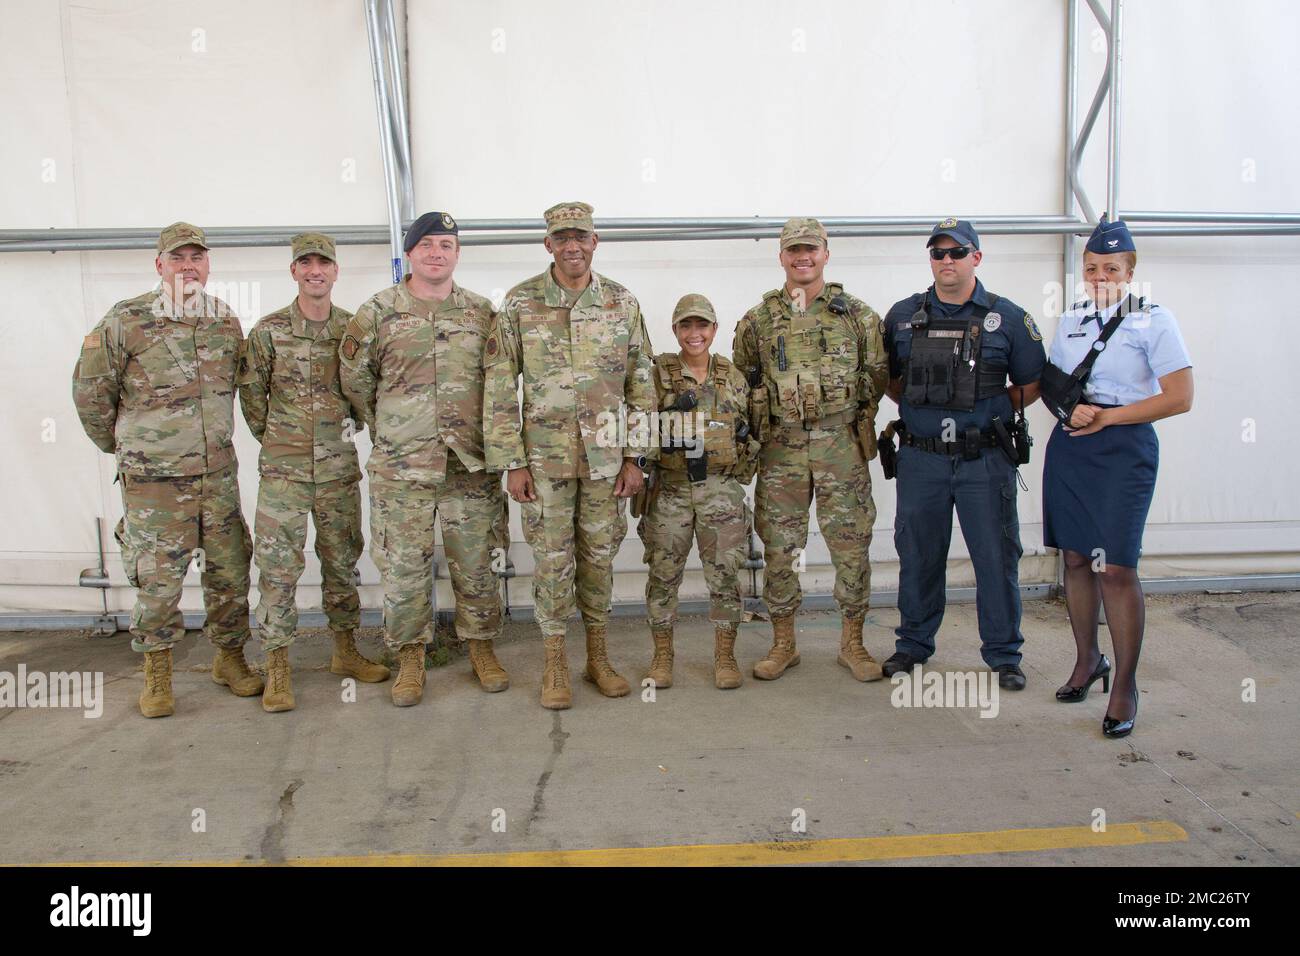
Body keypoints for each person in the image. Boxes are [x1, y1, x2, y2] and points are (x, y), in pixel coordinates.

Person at [72, 221, 259, 717]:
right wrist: (127, 449)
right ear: (160, 265)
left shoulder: (224, 321)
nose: (188, 266)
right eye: (178, 258)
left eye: (197, 257)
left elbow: (240, 390)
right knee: (158, 580)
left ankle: (230, 659)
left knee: (230, 571)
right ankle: (157, 673)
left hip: (217, 475)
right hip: (154, 483)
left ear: (208, 264)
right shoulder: (126, 320)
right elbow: (91, 394)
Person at [483, 201, 657, 710]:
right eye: (562, 238)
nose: (572, 246)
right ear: (548, 245)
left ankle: (597, 657)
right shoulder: (520, 303)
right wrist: (511, 461)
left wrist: (636, 458)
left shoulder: (621, 303)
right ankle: (555, 660)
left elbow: (642, 383)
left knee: (599, 559)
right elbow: (498, 386)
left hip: (607, 464)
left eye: (580, 236)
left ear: (595, 241)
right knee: (552, 562)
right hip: (545, 464)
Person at [339, 212, 507, 707]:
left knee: (475, 564)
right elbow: (355, 381)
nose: (436, 253)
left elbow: (498, 383)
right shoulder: (377, 312)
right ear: (409, 254)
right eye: (426, 245)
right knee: (404, 568)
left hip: (468, 466)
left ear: (457, 255)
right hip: (402, 467)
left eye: (446, 245)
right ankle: (409, 660)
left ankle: (481, 647)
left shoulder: (481, 313)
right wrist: (397, 426)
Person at [880, 218, 1045, 690]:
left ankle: (1004, 655)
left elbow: (1032, 382)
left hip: (984, 461)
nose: (947, 261)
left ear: (977, 256)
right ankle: (912, 645)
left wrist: (987, 412)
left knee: (995, 558)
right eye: (938, 253)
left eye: (957, 252)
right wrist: (922, 409)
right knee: (918, 554)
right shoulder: (903, 316)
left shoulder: (1007, 317)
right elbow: (888, 378)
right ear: (930, 259)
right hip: (922, 459)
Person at [1044, 215, 1193, 738]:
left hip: (1123, 449)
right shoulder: (1072, 317)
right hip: (1072, 448)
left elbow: (1179, 397)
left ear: (1130, 271)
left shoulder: (1155, 319)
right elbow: (1054, 383)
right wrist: (1071, 411)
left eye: (1111, 267)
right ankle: (1088, 661)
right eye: (1091, 267)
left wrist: (1106, 416)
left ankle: (1126, 685)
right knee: (1078, 558)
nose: (1099, 275)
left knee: (1117, 568)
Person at [237, 233, 389, 713]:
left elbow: (364, 392)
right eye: (306, 263)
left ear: (336, 271)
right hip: (283, 473)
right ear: (294, 272)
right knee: (278, 569)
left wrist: (338, 436)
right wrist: (285, 440)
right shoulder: (268, 331)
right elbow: (252, 400)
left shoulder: (352, 330)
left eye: (324, 263)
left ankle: (344, 651)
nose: (315, 271)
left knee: (342, 561)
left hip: (338, 468)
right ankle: (277, 666)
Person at [733, 217, 889, 683]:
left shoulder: (857, 316)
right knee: (781, 546)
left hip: (840, 444)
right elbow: (743, 380)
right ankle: (783, 643)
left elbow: (878, 375)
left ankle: (853, 643)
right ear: (781, 256)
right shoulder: (759, 320)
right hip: (781, 449)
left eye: (811, 249)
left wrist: (839, 396)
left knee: (851, 544)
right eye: (794, 250)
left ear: (826, 253)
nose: (803, 257)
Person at [638, 294, 760, 690]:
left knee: (725, 574)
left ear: (714, 330)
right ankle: (662, 655)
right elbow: (637, 425)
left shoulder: (733, 376)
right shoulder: (656, 374)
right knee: (663, 575)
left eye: (702, 326)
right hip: (670, 490)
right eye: (686, 326)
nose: (695, 334)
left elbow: (753, 431)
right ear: (675, 330)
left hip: (720, 490)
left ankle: (725, 655)